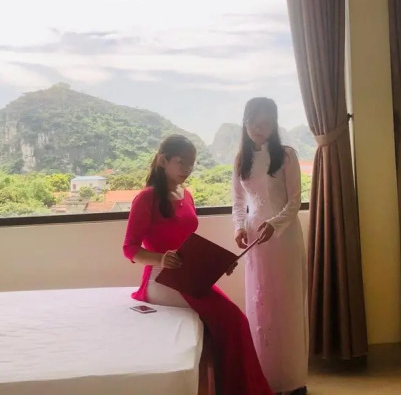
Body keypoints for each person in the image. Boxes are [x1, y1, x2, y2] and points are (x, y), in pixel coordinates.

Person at [122, 134, 273, 395]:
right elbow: (130, 249)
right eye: (181, 162)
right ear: (163, 161)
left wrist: (215, 264)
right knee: (233, 321)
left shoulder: (186, 194)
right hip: (162, 278)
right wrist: (161, 258)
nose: (187, 169)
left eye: (191, 163)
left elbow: (188, 243)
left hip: (188, 276)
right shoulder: (146, 198)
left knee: (234, 321)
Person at [232, 98, 309, 395]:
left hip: (283, 238)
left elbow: (295, 201)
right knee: (261, 305)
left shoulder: (287, 155)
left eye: (265, 123)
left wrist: (275, 224)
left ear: (274, 124)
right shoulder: (241, 158)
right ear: (245, 123)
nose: (259, 128)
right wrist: (239, 227)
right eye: (254, 122)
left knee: (286, 306)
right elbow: (238, 201)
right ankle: (264, 377)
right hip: (255, 239)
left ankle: (292, 380)